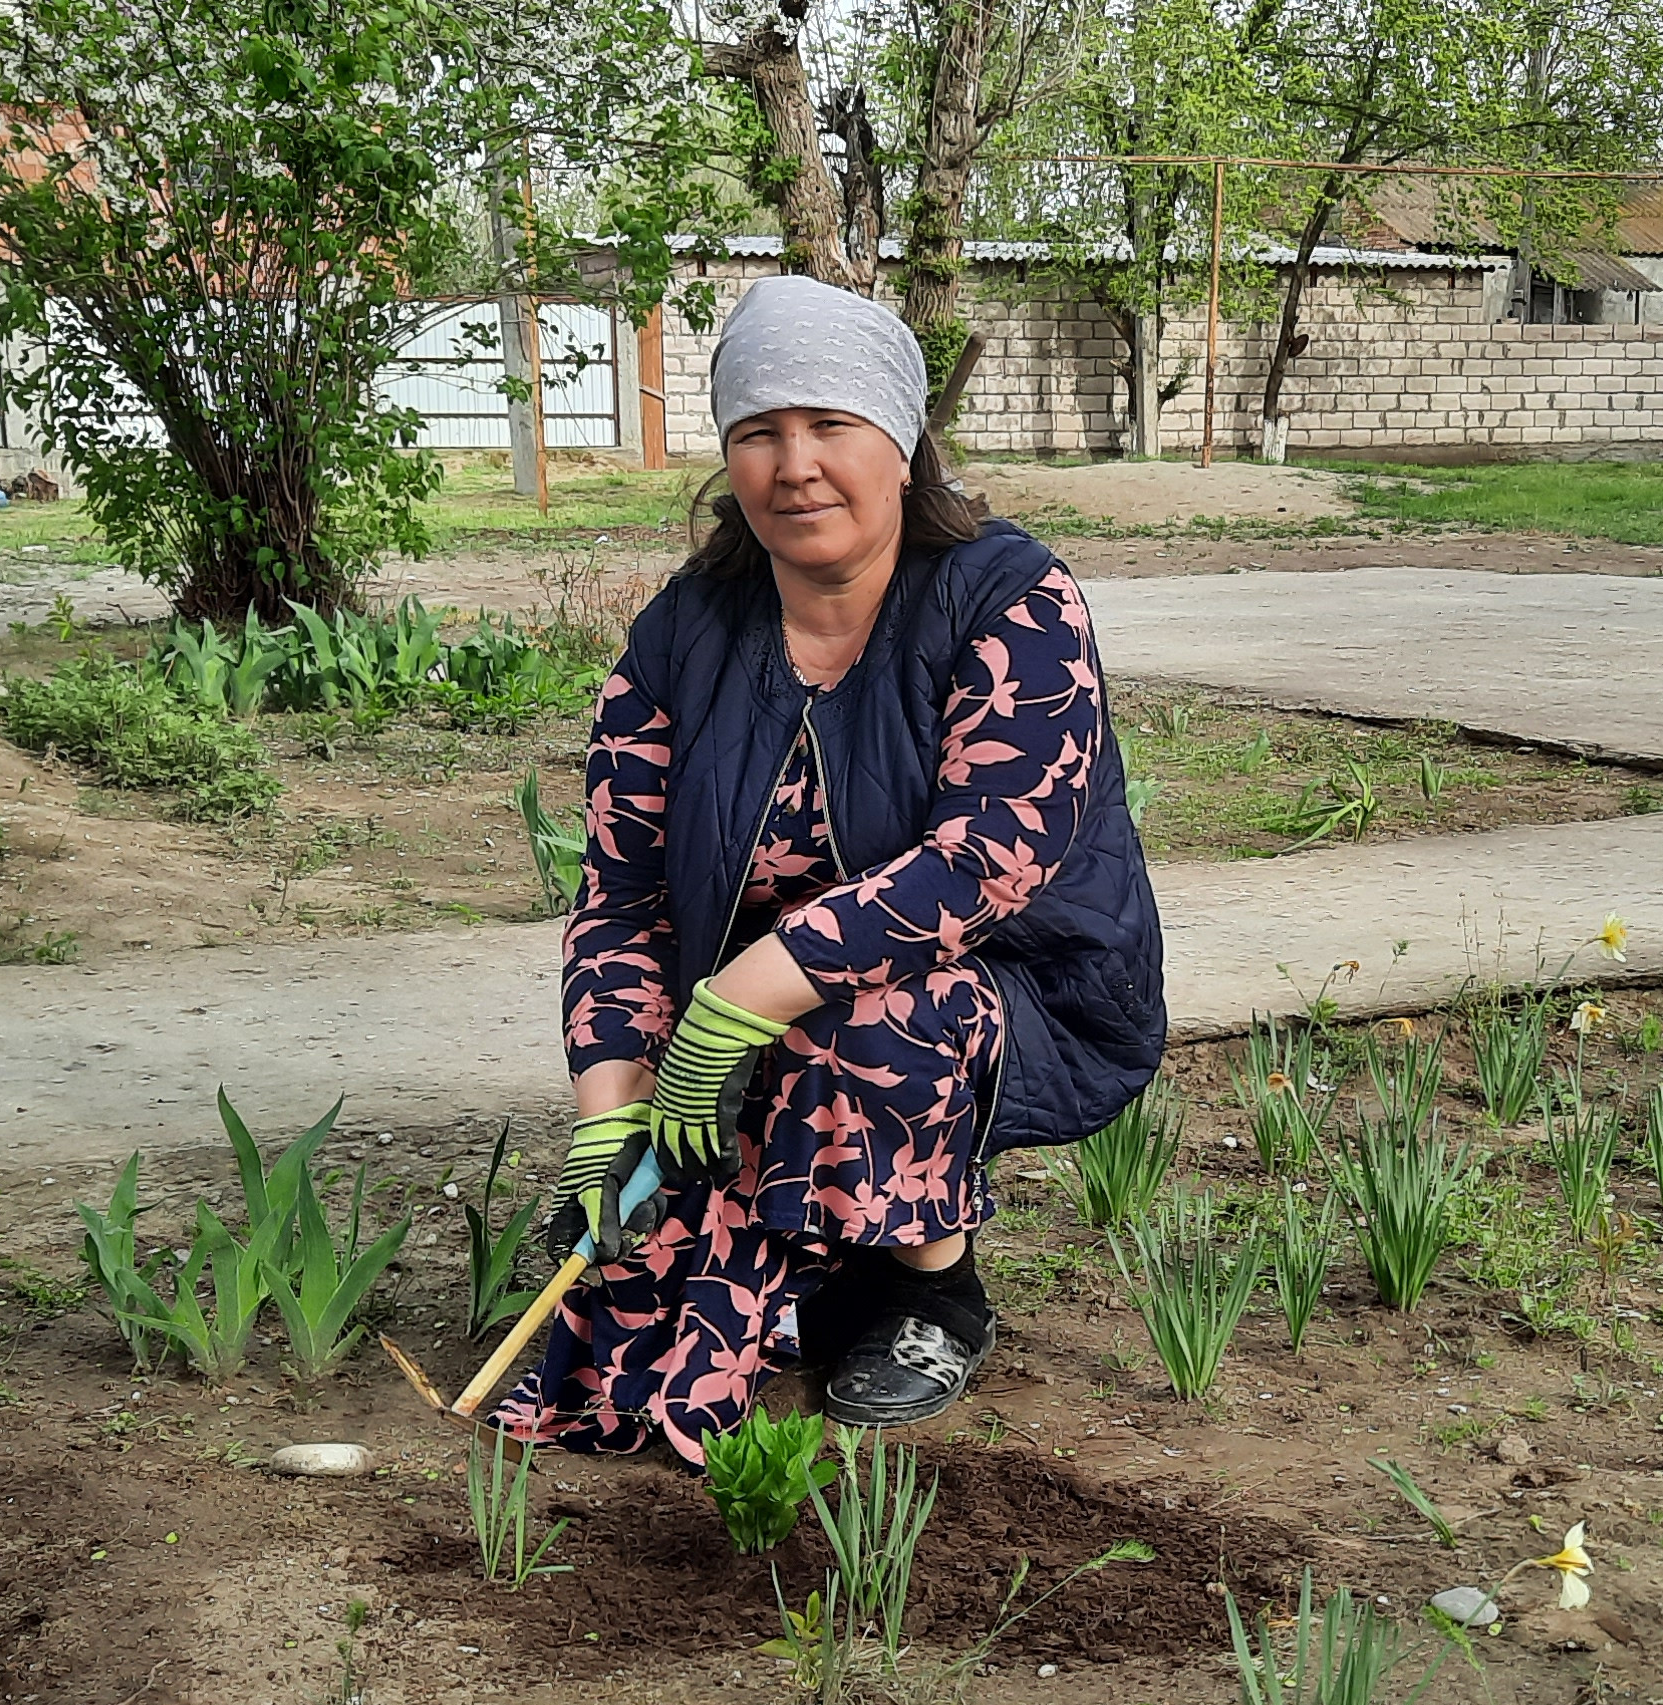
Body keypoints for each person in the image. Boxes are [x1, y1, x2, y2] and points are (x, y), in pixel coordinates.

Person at [493, 276, 1166, 1465]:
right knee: (620, 1292)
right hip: (738, 1003)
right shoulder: (683, 632)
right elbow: (621, 896)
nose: (793, 464)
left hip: (1006, 985)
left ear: (901, 442)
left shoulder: (1007, 596)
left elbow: (986, 861)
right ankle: (800, 1256)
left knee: (862, 1018)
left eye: (829, 426)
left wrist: (740, 1002)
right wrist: (608, 1113)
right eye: (757, 433)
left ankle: (924, 1295)